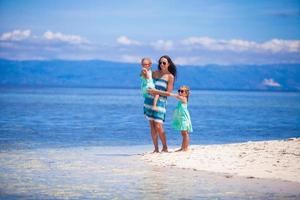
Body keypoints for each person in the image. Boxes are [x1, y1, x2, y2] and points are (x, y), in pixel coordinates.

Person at [145, 55, 177, 153]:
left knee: (159, 126)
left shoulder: (170, 77)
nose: (162, 64)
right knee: (152, 126)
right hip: (149, 101)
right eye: (160, 62)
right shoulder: (154, 73)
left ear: (168, 64)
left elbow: (168, 93)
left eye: (164, 63)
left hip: (161, 102)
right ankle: (156, 148)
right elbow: (145, 79)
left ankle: (165, 147)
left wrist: (156, 91)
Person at [170, 85, 193, 151]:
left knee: (185, 133)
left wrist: (165, 93)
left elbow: (175, 96)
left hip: (184, 118)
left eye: (182, 91)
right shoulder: (181, 99)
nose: (180, 92)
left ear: (186, 93)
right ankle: (183, 147)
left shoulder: (184, 99)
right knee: (183, 133)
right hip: (181, 118)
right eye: (179, 91)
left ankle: (185, 148)